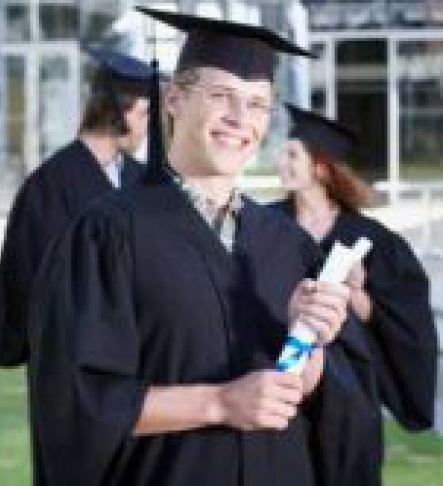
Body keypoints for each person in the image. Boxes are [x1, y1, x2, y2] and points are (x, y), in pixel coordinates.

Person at [27, 8, 369, 485]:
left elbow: (324, 402)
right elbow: (74, 400)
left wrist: (309, 341)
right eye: (221, 96)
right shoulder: (107, 233)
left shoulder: (288, 244)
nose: (239, 118)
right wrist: (219, 403)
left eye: (257, 104)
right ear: (174, 99)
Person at [271, 104, 439, 485]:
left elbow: (405, 320)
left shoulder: (370, 239)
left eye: (292, 155)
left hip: (350, 397)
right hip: (283, 385)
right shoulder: (266, 226)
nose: (281, 163)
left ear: (320, 166)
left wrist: (352, 294)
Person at [0, 46, 155, 366]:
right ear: (120, 112)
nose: (147, 126)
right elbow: (27, 282)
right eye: (144, 114)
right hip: (72, 362)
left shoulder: (142, 179)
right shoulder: (48, 186)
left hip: (138, 357)